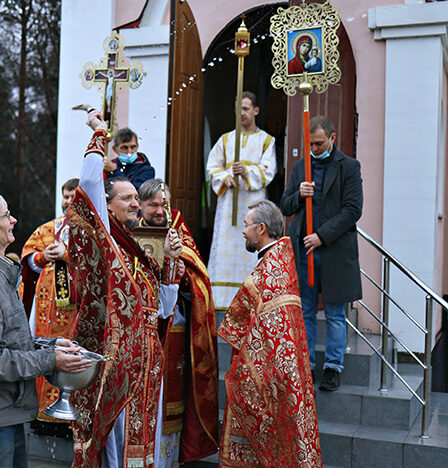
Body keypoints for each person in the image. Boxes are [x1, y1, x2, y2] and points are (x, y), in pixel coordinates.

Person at [67, 110, 182, 467]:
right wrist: (99, 134)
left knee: (144, 446)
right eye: (127, 199)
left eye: (137, 198)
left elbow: (162, 310)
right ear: (108, 207)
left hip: (147, 366)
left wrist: (169, 267)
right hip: (115, 366)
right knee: (114, 451)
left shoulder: (141, 249)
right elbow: (88, 187)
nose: (136, 204)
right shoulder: (105, 243)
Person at [0, 192, 90, 467]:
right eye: (5, 215)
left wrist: (51, 345)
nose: (13, 220)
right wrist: (51, 360)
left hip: (4, 413)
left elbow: (7, 342)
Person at [218, 200, 321, 466]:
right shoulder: (277, 262)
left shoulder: (271, 270)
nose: (243, 231)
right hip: (280, 375)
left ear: (261, 228)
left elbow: (255, 326)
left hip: (271, 378)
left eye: (246, 226)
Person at [137, 179, 220, 465]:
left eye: (164, 204)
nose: (160, 211)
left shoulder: (178, 232)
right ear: (141, 206)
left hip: (174, 329)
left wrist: (182, 274)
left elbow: (198, 280)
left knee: (168, 405)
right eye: (154, 205)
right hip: (140, 329)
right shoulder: (128, 232)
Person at [279, 115, 363, 392]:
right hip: (304, 250)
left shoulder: (349, 167)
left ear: (332, 138)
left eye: (319, 143)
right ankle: (306, 366)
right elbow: (286, 206)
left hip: (335, 249)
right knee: (305, 310)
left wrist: (322, 236)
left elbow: (352, 210)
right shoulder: (300, 167)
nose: (314, 149)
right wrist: (299, 195)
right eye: (311, 144)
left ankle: (332, 368)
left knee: (336, 313)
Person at [206, 91, 277, 309]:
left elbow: (268, 172)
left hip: (252, 205)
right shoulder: (226, 140)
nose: (242, 113)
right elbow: (212, 167)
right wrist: (226, 176)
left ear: (256, 110)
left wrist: (246, 170)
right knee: (226, 248)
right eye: (238, 109)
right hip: (228, 207)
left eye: (246, 109)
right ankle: (222, 300)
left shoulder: (266, 140)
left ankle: (251, 297)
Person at [20, 177, 78, 428]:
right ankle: (42, 413)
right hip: (45, 313)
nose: (68, 201)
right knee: (45, 356)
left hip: (76, 311)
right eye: (65, 196)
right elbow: (27, 261)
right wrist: (43, 256)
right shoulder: (47, 229)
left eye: (73, 196)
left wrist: (70, 256)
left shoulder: (94, 232)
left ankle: (71, 416)